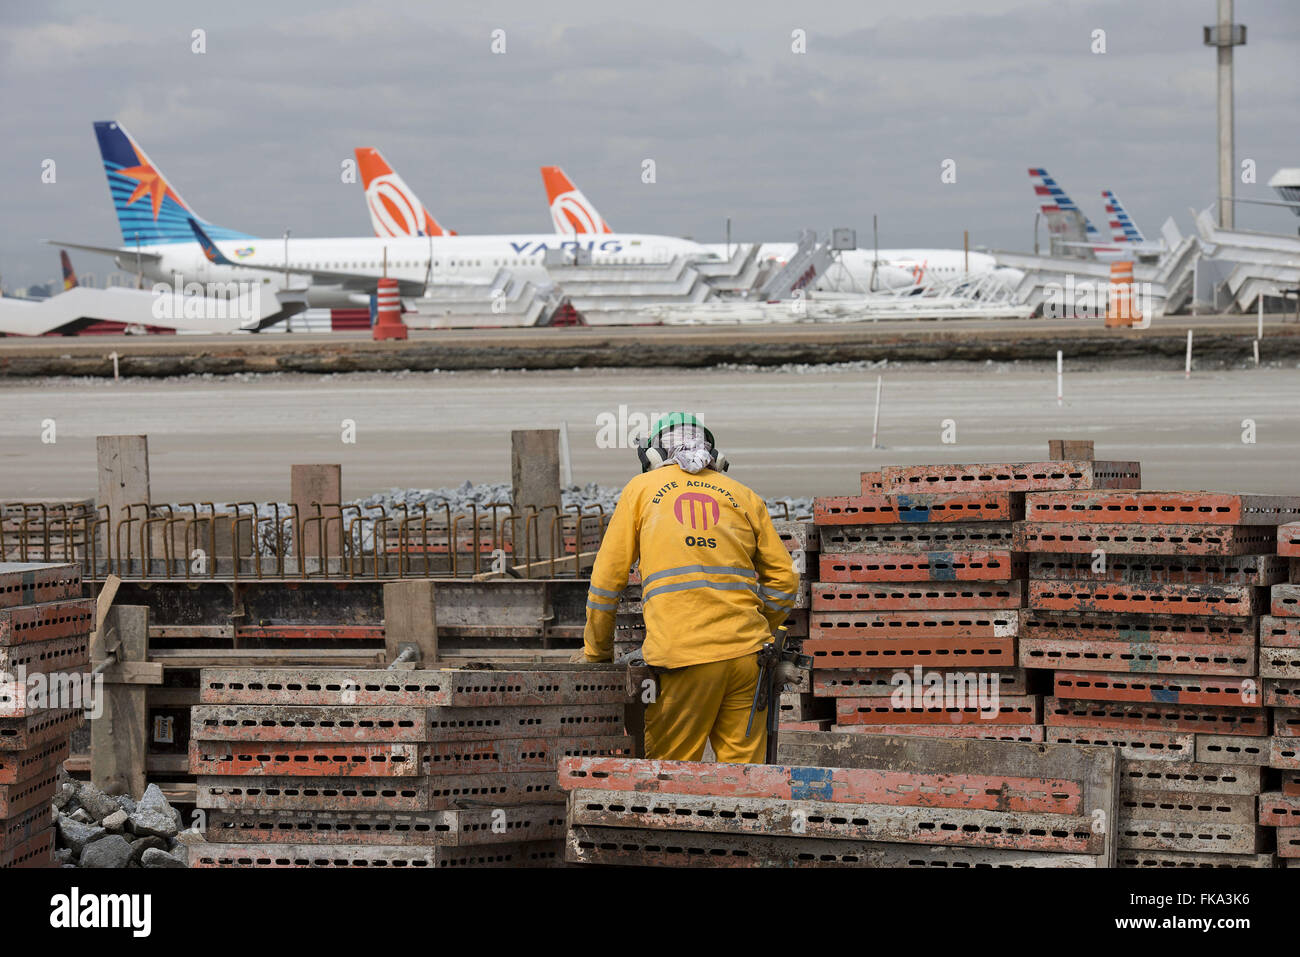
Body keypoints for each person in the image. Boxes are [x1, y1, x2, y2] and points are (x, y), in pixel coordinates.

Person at [579, 412, 799, 763]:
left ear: (651, 455)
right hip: (748, 660)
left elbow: (607, 583)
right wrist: (760, 629)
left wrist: (597, 654)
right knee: (744, 782)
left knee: (672, 777)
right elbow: (785, 582)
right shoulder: (744, 495)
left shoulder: (641, 490)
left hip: (682, 659)